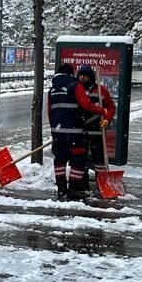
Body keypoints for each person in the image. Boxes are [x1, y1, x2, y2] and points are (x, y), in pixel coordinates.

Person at [48, 63, 107, 199]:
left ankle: (61, 189)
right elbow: (86, 105)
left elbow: (50, 112)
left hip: (58, 133)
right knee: (78, 160)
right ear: (71, 74)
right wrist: (101, 110)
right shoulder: (75, 86)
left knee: (60, 160)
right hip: (75, 132)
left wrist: (55, 130)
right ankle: (73, 188)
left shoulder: (52, 90)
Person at [75, 65, 117, 194]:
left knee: (99, 159)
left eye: (85, 75)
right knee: (81, 159)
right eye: (80, 75)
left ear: (91, 77)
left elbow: (111, 108)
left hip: (97, 132)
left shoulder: (101, 91)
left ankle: (102, 183)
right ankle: (83, 185)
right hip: (81, 132)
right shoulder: (76, 89)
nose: (82, 77)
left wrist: (106, 119)